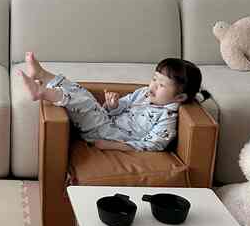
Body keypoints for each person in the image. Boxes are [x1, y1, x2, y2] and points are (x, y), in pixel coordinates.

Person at [20, 52, 207, 152]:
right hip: (107, 121)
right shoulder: (143, 93)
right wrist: (113, 105)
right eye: (154, 79)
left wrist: (115, 146)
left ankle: (41, 92)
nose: (153, 85)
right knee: (82, 92)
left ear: (179, 98)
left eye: (162, 85)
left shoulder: (167, 117)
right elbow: (122, 106)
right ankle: (43, 75)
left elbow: (155, 144)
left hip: (111, 135)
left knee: (84, 101)